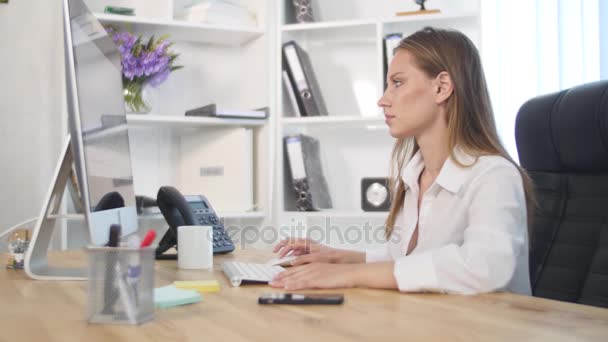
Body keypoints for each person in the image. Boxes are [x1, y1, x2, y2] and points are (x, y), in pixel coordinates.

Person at [270, 27, 535, 295]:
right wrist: (339, 257)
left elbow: (484, 267)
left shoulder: (493, 175)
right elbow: (411, 258)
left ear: (441, 87)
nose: (383, 100)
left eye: (397, 83)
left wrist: (350, 274)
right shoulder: (415, 174)